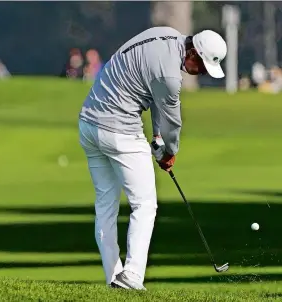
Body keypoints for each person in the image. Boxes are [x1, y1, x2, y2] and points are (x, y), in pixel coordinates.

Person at [78, 26, 227, 290]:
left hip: (89, 124)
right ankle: (133, 275)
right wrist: (169, 152)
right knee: (145, 204)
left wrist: (157, 138)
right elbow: (172, 121)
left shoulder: (165, 34)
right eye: (201, 66)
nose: (201, 72)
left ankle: (115, 278)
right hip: (119, 129)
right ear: (192, 51)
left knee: (106, 206)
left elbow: (154, 95)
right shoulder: (171, 75)